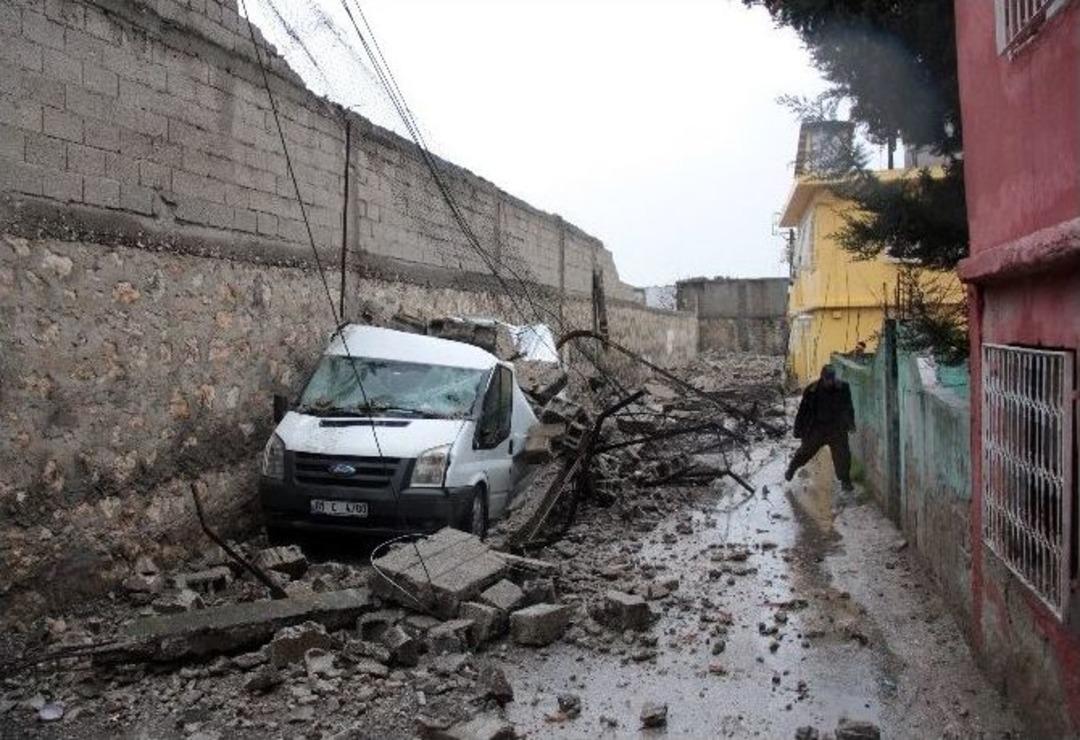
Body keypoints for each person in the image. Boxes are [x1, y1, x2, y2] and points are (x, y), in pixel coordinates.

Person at [785, 364, 856, 490]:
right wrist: (798, 429)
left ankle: (845, 481)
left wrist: (850, 424)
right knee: (805, 452)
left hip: (836, 428)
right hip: (817, 428)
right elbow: (803, 411)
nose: (830, 382)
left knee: (842, 455)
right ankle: (792, 469)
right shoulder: (812, 390)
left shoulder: (843, 388)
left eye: (832, 379)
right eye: (827, 379)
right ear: (822, 378)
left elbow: (848, 407)